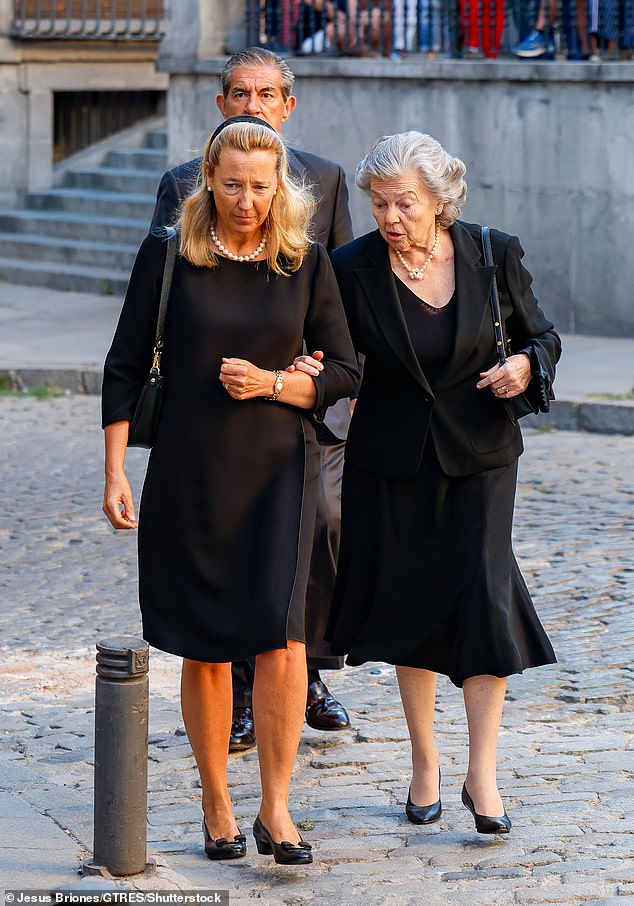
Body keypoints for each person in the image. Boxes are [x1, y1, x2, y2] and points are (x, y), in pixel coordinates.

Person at [102, 116, 358, 863]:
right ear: (208, 181)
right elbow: (123, 365)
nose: (247, 200)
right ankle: (217, 800)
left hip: (281, 470)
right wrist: (116, 469)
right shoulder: (168, 255)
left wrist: (278, 382)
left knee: (283, 642)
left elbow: (344, 368)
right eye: (233, 184)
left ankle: (277, 809)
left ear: (280, 184)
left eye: (261, 185)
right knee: (206, 647)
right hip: (188, 472)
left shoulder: (303, 260)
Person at [325, 131, 560, 834]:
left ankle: (481, 772)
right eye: (378, 203)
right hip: (391, 465)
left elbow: (541, 337)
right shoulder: (351, 267)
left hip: (482, 456)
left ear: (440, 201)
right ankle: (425, 761)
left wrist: (525, 367)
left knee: (485, 606)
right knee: (412, 606)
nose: (389, 218)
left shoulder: (492, 252)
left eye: (404, 203)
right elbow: (333, 357)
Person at [149, 47, 355, 752]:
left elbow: (340, 293)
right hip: (213, 413)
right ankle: (239, 691)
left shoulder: (324, 179)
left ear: (287, 105)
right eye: (240, 92)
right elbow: (163, 300)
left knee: (320, 527)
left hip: (300, 403)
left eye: (267, 93)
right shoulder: (183, 183)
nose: (253, 104)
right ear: (221, 103)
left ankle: (310, 673)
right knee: (229, 546)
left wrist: (321, 361)